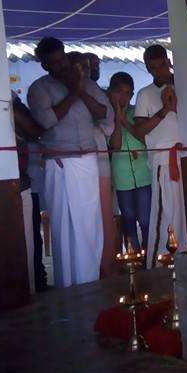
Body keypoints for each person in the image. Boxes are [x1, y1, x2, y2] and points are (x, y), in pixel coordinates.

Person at [27, 37, 114, 288]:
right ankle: (68, 285)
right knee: (64, 227)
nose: (61, 66)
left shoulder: (87, 84)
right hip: (59, 163)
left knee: (89, 224)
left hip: (87, 160)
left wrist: (80, 90)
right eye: (53, 63)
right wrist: (72, 94)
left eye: (62, 59)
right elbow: (47, 121)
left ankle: (90, 281)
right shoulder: (39, 89)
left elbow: (104, 114)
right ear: (44, 66)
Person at [134, 44, 187, 267]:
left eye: (162, 66)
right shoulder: (145, 94)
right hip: (163, 162)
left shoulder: (185, 85)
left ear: (169, 62)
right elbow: (139, 132)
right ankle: (158, 266)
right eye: (153, 68)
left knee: (186, 214)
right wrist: (164, 110)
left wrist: (176, 107)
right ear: (148, 69)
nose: (159, 71)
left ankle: (186, 260)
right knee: (165, 213)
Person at [70, 51, 116, 278]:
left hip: (98, 159)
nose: (89, 71)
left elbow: (108, 123)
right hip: (71, 162)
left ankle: (104, 267)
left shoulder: (93, 90)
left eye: (91, 67)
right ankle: (80, 271)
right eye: (84, 67)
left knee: (103, 214)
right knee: (79, 219)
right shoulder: (58, 88)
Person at [107, 72, 152, 253]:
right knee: (128, 219)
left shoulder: (138, 113)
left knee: (146, 220)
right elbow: (115, 146)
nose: (123, 96)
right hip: (122, 178)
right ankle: (134, 260)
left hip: (144, 175)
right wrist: (117, 120)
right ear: (110, 92)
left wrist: (125, 121)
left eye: (128, 93)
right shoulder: (106, 117)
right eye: (119, 91)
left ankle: (150, 257)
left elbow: (145, 140)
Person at [11, 90, 44, 294]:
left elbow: (34, 131)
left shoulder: (11, 101)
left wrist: (7, 106)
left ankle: (34, 286)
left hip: (21, 183)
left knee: (30, 242)